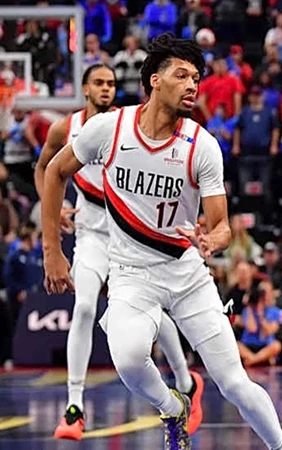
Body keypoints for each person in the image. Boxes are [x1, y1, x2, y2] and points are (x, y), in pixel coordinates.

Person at [40, 36, 282, 450]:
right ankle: (172, 407)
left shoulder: (202, 145)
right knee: (127, 361)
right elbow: (54, 171)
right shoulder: (109, 128)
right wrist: (52, 251)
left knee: (234, 382)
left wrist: (212, 239)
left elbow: (222, 226)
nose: (192, 85)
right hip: (131, 274)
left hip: (186, 274)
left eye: (196, 78)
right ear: (154, 80)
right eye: (182, 75)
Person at [35, 63, 204, 441]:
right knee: (83, 307)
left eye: (111, 83)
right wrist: (52, 206)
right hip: (91, 235)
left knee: (153, 312)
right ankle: (74, 407)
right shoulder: (66, 128)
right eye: (99, 82)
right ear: (84, 88)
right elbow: (45, 168)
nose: (106, 88)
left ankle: (185, 384)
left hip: (129, 236)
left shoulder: (126, 125)